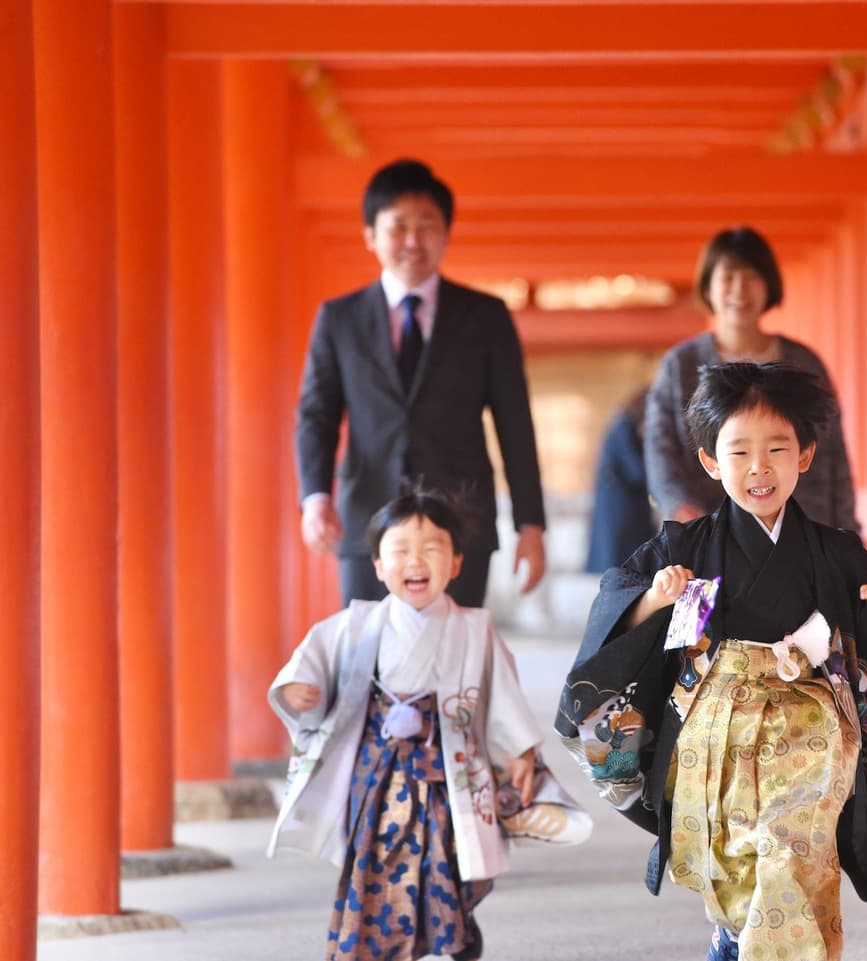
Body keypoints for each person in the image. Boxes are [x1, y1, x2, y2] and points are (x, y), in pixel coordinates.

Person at [556, 364, 867, 961]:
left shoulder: (835, 553)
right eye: (740, 452)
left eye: (777, 448)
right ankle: (735, 939)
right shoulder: (685, 547)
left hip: (811, 726)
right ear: (711, 462)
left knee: (794, 849)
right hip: (716, 728)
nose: (759, 467)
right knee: (734, 859)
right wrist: (655, 598)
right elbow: (619, 612)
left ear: (805, 456)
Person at [268, 487, 591, 961]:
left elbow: (502, 695)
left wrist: (520, 752)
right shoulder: (356, 625)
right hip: (375, 778)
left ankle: (449, 936)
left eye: (432, 549)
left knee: (448, 860)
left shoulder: (473, 629)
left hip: (446, 776)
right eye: (399, 550)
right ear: (377, 564)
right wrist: (300, 689)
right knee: (376, 864)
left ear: (456, 562)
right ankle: (379, 947)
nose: (415, 561)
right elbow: (313, 660)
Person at [295, 158, 547, 607]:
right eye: (398, 226)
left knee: (455, 664)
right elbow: (317, 415)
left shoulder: (485, 317)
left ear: (446, 233)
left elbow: (514, 423)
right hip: (366, 520)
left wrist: (530, 524)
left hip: (460, 523)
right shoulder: (339, 320)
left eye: (427, 225)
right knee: (367, 662)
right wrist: (315, 497)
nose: (413, 241)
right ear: (370, 236)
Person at [645, 226, 859, 531]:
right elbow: (660, 450)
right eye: (728, 278)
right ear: (708, 287)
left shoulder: (803, 363)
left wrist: (847, 534)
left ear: (768, 283)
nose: (740, 290)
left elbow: (832, 454)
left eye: (751, 277)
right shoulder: (681, 365)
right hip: (708, 529)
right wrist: (681, 509)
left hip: (803, 529)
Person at [585, 386, 656, 574]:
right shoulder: (623, 428)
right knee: (620, 564)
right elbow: (636, 470)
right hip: (620, 508)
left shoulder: (624, 426)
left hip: (624, 507)